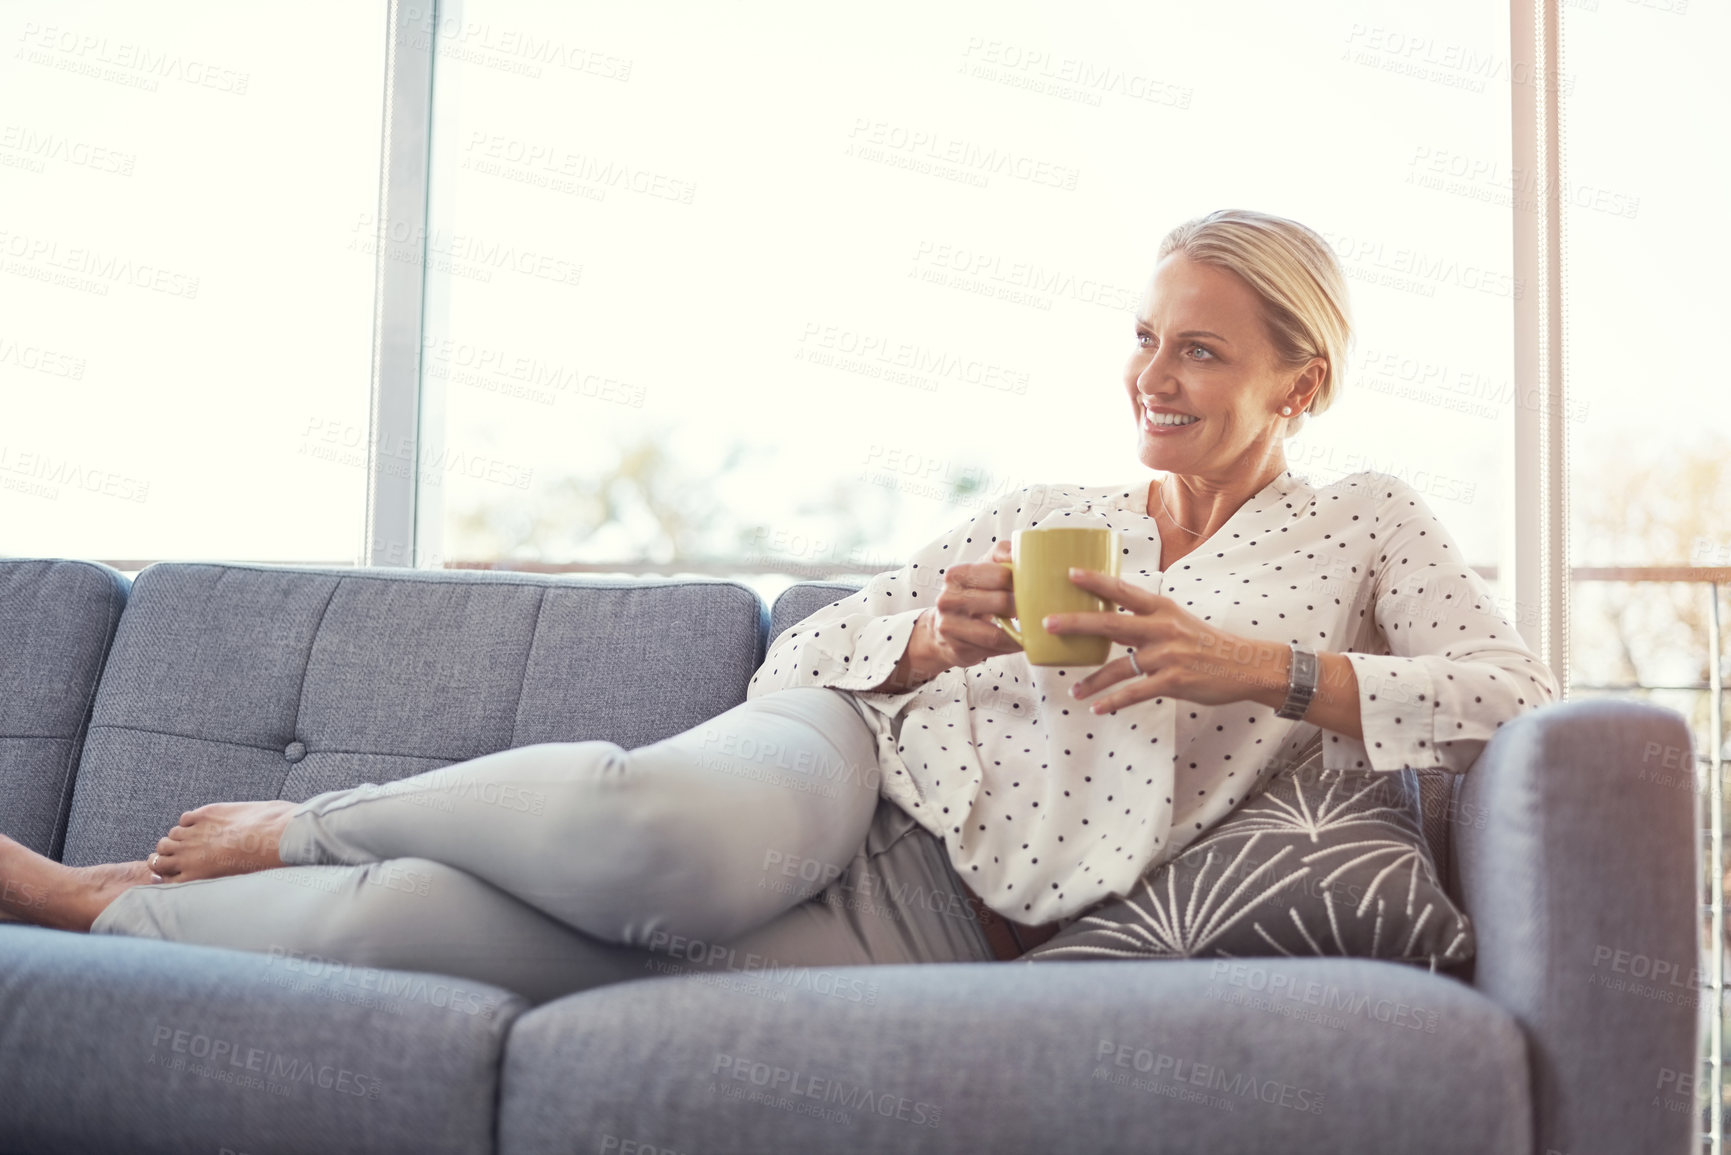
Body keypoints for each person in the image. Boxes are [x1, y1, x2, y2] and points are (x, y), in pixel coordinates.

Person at [0, 209, 1559, 1005]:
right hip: (850, 759)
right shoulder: (1048, 515)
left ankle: (91, 908)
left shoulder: (1365, 525)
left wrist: (1272, 671)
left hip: (953, 913)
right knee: (657, 832)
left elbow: (1517, 691)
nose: (1153, 375)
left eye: (1202, 352)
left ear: (1308, 378)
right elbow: (815, 648)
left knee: (444, 935)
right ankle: (307, 823)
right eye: (1148, 337)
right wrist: (929, 637)